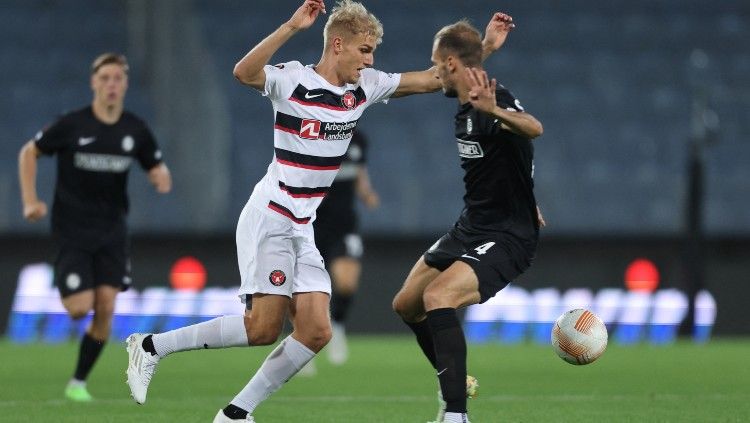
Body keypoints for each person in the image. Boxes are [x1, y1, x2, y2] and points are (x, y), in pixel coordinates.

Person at [124, 1, 510, 421]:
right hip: (272, 215)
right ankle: (150, 346)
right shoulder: (292, 81)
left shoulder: (364, 89)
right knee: (262, 329)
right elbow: (243, 73)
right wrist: (291, 26)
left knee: (315, 331)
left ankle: (235, 414)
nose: (370, 60)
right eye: (364, 50)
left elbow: (436, 77)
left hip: (302, 226)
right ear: (338, 44)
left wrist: (485, 48)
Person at [391, 19, 544, 423]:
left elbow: (534, 129)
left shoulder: (493, 100)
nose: (434, 71)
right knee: (406, 304)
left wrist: (496, 110)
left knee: (438, 298)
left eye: (437, 64)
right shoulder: (466, 95)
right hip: (471, 224)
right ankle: (453, 379)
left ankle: (455, 413)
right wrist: (487, 45)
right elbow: (462, 71)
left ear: (451, 63)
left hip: (508, 234)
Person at [17, 52, 172, 402]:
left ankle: (78, 383)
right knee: (77, 308)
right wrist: (30, 200)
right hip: (72, 231)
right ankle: (78, 370)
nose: (111, 84)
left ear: (126, 84)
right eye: (105, 78)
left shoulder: (135, 130)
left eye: (118, 78)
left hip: (112, 232)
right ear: (93, 83)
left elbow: (155, 166)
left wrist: (160, 177)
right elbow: (30, 152)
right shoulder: (72, 125)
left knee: (106, 308)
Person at [313, 129, 379, 366]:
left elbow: (360, 171)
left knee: (347, 282)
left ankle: (337, 328)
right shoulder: (314, 132)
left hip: (345, 224)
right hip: (313, 223)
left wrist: (366, 193)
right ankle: (301, 341)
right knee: (309, 286)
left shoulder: (359, 138)